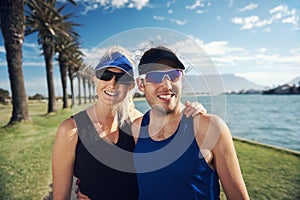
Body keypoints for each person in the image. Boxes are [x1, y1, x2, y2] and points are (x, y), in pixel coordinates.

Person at [52, 45, 205, 200]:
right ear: (95, 78)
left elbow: (170, 138)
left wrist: (195, 111)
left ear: (131, 86)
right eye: (106, 74)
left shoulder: (136, 124)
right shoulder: (71, 130)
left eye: (122, 78)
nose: (112, 83)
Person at [131, 46, 250, 199]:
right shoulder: (136, 128)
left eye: (174, 75)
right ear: (141, 85)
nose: (167, 86)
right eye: (154, 76)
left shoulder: (210, 127)